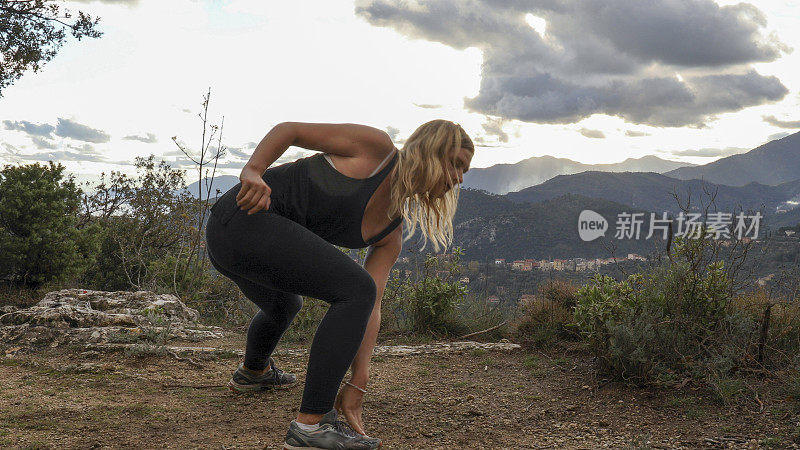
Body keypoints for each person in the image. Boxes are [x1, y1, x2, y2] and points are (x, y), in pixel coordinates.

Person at [204, 119, 473, 449]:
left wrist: (359, 382)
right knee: (354, 287)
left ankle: (253, 374)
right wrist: (253, 171)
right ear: (432, 151)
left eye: (465, 171)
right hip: (242, 217)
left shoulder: (391, 233)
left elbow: (370, 307)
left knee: (286, 304)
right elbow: (290, 130)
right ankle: (311, 428)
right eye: (456, 164)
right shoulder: (376, 149)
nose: (459, 178)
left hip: (237, 245)